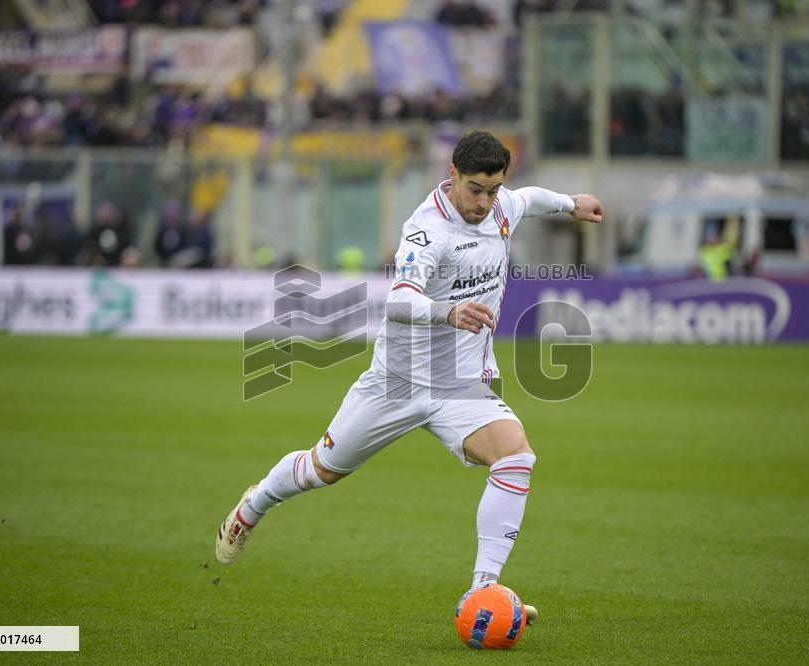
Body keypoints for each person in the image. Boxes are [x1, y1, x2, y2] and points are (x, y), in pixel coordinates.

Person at [215, 130, 603, 621]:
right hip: (396, 382)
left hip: (462, 384)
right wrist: (448, 312)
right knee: (322, 470)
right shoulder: (427, 231)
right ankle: (253, 507)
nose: (484, 202)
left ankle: (482, 591)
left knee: (516, 457)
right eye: (475, 189)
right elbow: (398, 300)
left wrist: (573, 203)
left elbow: (530, 198)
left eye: (493, 189)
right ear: (452, 177)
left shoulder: (504, 205)